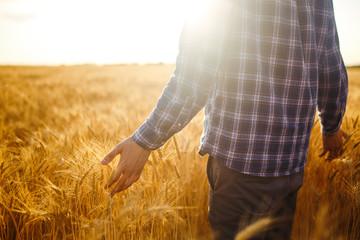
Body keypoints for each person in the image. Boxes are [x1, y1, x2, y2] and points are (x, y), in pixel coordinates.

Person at [100, 0, 348, 239]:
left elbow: (194, 78)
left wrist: (144, 140)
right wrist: (331, 127)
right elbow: (330, 64)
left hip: (239, 168)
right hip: (291, 165)